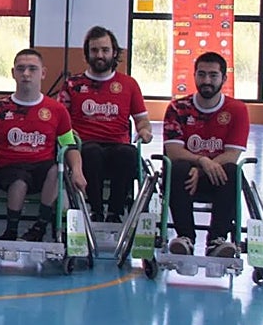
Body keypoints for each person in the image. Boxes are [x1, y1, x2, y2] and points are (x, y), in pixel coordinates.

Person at [0, 49, 85, 242]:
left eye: (32, 69)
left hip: (42, 168)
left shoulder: (57, 110)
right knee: (19, 179)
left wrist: (77, 171)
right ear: (13, 73)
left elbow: (69, 146)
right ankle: (11, 230)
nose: (26, 74)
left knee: (56, 170)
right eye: (21, 69)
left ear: (43, 73)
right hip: (7, 169)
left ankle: (40, 227)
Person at [57, 26, 152, 223]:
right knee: (92, 152)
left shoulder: (129, 84)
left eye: (105, 50)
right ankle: (96, 211)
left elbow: (142, 119)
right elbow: (60, 121)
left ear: (114, 52)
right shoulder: (72, 85)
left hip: (118, 145)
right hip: (84, 146)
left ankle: (115, 213)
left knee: (129, 153)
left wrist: (144, 130)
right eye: (94, 50)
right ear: (87, 54)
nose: (99, 55)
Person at [163, 52, 249, 258]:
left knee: (232, 170)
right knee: (177, 167)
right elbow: (173, 152)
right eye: (201, 75)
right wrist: (201, 160)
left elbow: (232, 154)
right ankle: (185, 237)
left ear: (224, 79)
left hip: (216, 178)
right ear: (194, 76)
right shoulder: (178, 108)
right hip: (185, 178)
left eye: (213, 75)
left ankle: (217, 240)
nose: (206, 81)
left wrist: (201, 169)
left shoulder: (237, 110)